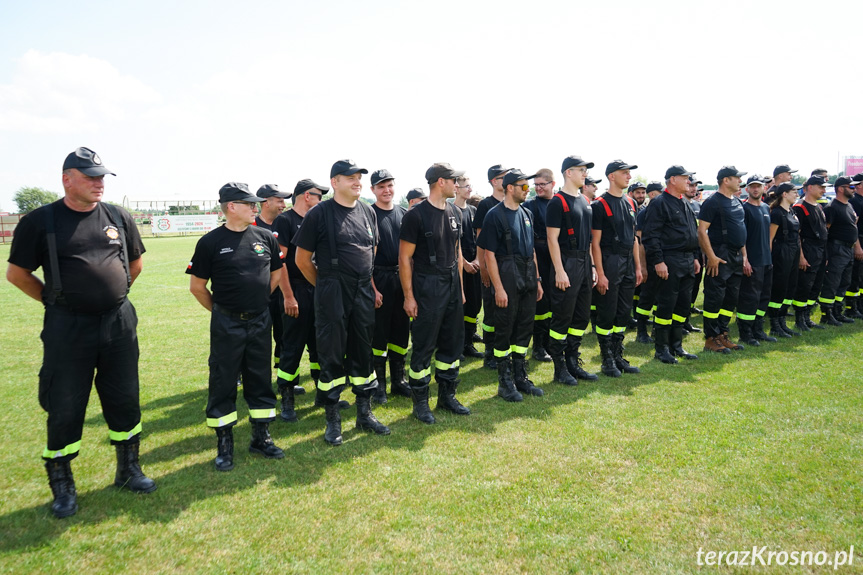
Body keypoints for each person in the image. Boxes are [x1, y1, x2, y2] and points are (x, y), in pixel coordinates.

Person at [7, 146, 156, 518]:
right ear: (67, 179)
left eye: (102, 177)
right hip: (67, 327)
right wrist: (54, 299)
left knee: (125, 398)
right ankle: (63, 484)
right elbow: (17, 274)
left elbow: (134, 263)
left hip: (118, 322)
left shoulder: (118, 217)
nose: (98, 183)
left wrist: (115, 293)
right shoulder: (41, 221)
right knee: (65, 405)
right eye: (90, 177)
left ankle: (128, 470)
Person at [188, 183, 285, 471]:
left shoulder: (266, 237)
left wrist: (257, 302)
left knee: (259, 378)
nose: (256, 207)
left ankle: (261, 438)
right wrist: (222, 311)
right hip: (226, 322)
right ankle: (224, 444)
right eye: (249, 203)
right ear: (231, 207)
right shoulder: (210, 242)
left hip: (259, 319)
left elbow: (277, 274)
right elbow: (197, 287)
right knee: (223, 381)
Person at [294, 159, 390, 445]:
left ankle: (364, 413)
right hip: (332, 289)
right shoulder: (319, 214)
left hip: (362, 290)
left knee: (363, 351)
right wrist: (326, 287)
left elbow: (371, 250)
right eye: (350, 178)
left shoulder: (367, 212)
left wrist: (366, 287)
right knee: (332, 355)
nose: (357, 181)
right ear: (335, 182)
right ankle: (333, 419)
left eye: (359, 177)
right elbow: (301, 260)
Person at [399, 163, 471, 423]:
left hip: (451, 283)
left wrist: (460, 289)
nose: (458, 184)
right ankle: (420, 403)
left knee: (452, 343)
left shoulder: (455, 211)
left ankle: (447, 396)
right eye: (454, 180)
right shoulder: (416, 215)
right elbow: (405, 259)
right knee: (424, 344)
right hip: (427, 285)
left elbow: (458, 252)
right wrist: (409, 296)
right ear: (440, 182)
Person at [478, 168, 545, 400]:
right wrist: (498, 288)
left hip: (527, 272)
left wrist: (537, 280)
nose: (528, 190)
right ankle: (504, 381)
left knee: (525, 326)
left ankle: (520, 377)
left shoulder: (527, 214)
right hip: (506, 271)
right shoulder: (494, 215)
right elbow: (489, 255)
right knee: (505, 329)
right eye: (524, 186)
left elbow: (532, 250)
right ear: (509, 188)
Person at [272, 178, 336, 422]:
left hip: (317, 289)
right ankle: (287, 401)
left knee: (320, 345)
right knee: (293, 346)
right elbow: (279, 263)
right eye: (318, 195)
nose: (321, 199)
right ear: (306, 196)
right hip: (296, 291)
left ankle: (323, 394)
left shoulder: (316, 218)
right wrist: (288, 296)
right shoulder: (285, 220)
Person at [545, 155, 599, 385]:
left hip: (584, 264)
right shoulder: (557, 202)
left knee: (581, 316)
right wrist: (559, 270)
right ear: (568, 172)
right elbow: (551, 238)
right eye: (581, 169)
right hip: (566, 264)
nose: (584, 173)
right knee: (562, 317)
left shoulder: (584, 202)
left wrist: (593, 266)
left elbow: (587, 240)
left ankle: (573, 363)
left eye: (585, 170)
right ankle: (559, 369)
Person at [641, 166, 702, 363]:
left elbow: (691, 232)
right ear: (673, 180)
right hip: (670, 260)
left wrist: (693, 257)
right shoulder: (659, 203)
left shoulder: (683, 202)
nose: (689, 181)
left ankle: (677, 346)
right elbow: (651, 236)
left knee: (683, 306)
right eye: (686, 178)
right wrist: (658, 261)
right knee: (666, 305)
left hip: (686, 260)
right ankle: (662, 349)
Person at [590, 160, 643, 377]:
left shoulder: (631, 203)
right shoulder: (599, 205)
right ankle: (607, 359)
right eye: (625, 173)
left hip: (628, 263)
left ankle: (618, 354)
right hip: (609, 261)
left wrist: (638, 268)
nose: (629, 177)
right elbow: (594, 243)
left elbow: (634, 239)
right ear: (612, 176)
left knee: (623, 313)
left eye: (629, 173)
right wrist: (600, 274)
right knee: (607, 312)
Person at [369, 169, 412, 404]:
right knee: (379, 335)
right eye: (381, 186)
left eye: (389, 185)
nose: (386, 190)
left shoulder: (404, 215)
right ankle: (379, 384)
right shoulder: (369, 214)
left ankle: (399, 380)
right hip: (379, 277)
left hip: (401, 278)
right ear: (373, 190)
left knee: (400, 331)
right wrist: (373, 288)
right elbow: (366, 259)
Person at [697, 166, 749, 354]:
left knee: (730, 298)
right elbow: (701, 231)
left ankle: (722, 333)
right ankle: (711, 338)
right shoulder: (712, 202)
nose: (740, 181)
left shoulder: (737, 201)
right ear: (726, 180)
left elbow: (741, 231)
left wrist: (744, 257)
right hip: (720, 254)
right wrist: (711, 256)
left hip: (736, 256)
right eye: (737, 178)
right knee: (714, 297)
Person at [475, 164, 510, 369]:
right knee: (490, 311)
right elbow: (481, 240)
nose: (506, 180)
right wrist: (484, 268)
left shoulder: (510, 203)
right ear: (494, 181)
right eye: (503, 177)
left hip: (509, 267)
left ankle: (502, 349)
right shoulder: (486, 205)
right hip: (491, 264)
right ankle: (489, 352)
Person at [254, 184, 292, 371]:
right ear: (265, 203)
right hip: (260, 292)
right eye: (279, 201)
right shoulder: (251, 226)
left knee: (284, 334)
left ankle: (282, 373)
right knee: (255, 336)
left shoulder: (285, 224)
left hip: (282, 291)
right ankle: (242, 373)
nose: (283, 205)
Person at [737, 175, 777, 345]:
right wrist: (745, 259)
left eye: (758, 186)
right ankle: (746, 333)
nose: (755, 189)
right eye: (752, 186)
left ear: (764, 188)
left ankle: (758, 330)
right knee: (749, 298)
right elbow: (741, 237)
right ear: (747, 189)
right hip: (752, 261)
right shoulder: (743, 209)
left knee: (763, 297)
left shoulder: (766, 208)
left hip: (766, 260)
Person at [819, 176, 862, 324]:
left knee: (844, 282)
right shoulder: (832, 207)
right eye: (850, 187)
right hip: (836, 249)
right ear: (840, 189)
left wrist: (857, 246)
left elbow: (853, 227)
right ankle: (826, 313)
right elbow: (825, 232)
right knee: (832, 281)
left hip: (848, 249)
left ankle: (837, 311)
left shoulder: (849, 205)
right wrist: (825, 254)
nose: (853, 189)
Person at [523, 168, 556, 362]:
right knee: (541, 304)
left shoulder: (559, 203)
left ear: (552, 184)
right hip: (538, 257)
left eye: (542, 184)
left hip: (557, 258)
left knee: (555, 302)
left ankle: (550, 342)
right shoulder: (530, 206)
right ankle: (538, 346)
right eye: (535, 185)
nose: (538, 188)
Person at [453, 174, 484, 359]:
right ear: (456, 188)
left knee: (474, 305)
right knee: (459, 306)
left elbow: (479, 238)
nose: (469, 189)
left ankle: (468, 342)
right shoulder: (450, 210)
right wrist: (464, 264)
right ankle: (457, 345)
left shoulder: (473, 210)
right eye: (466, 186)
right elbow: (453, 243)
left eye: (470, 186)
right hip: (458, 266)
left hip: (475, 264)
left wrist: (478, 261)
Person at [792, 177, 830, 328]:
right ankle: (799, 319)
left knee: (815, 285)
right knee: (804, 285)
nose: (824, 190)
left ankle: (807, 316)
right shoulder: (800, 207)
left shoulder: (819, 207)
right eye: (821, 187)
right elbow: (797, 235)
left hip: (820, 250)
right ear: (810, 187)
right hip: (808, 250)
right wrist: (801, 256)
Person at [767, 182, 802, 337]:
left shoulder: (792, 211)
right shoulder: (776, 213)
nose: (796, 194)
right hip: (782, 251)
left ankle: (782, 321)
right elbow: (770, 238)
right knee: (780, 287)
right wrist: (769, 258)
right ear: (784, 194)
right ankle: (775, 322)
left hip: (794, 250)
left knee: (791, 285)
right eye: (793, 191)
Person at [633, 181, 663, 344]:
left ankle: (657, 329)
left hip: (662, 260)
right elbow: (640, 241)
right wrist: (643, 266)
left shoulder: (662, 211)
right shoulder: (644, 214)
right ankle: (641, 331)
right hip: (650, 262)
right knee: (646, 297)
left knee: (661, 298)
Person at [848, 173, 863, 317]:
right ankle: (851, 307)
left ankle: (860, 305)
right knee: (856, 275)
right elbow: (854, 226)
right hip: (859, 240)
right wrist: (857, 246)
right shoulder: (855, 202)